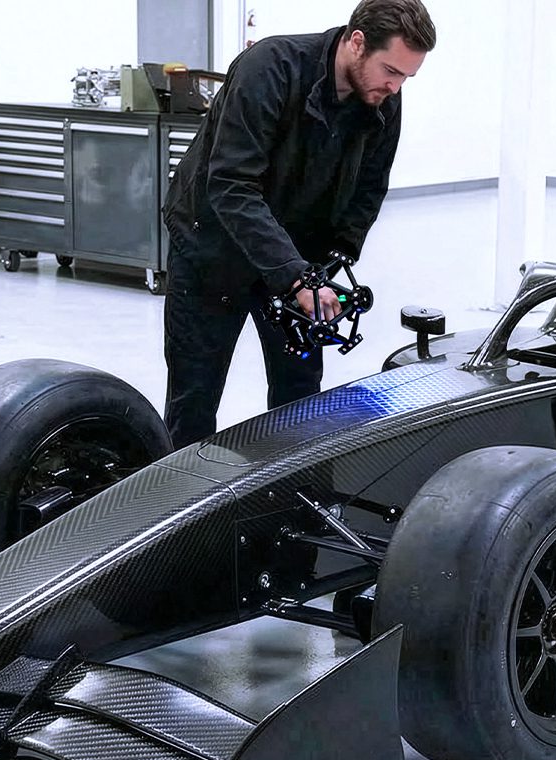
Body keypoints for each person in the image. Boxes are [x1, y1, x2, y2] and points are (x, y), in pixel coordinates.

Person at [162, 0, 436, 450]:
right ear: (357, 42)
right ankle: (180, 490)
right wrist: (295, 276)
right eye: (391, 70)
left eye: (407, 76)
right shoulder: (270, 68)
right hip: (212, 245)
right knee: (194, 397)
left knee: (300, 397)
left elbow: (370, 188)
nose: (395, 85)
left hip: (297, 253)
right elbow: (231, 185)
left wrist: (332, 262)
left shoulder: (383, 96)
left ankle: (295, 488)